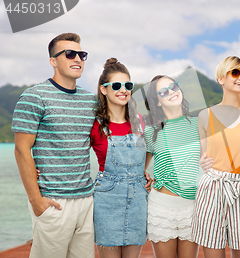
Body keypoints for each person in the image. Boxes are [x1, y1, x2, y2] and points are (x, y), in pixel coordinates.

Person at [12, 33, 96, 258]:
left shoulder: (91, 101)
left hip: (86, 200)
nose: (77, 58)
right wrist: (36, 200)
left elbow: (109, 138)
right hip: (53, 201)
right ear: (53, 61)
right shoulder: (34, 97)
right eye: (69, 54)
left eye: (81, 54)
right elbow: (21, 150)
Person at [192, 56, 240, 258]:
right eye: (235, 72)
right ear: (221, 79)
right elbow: (205, 157)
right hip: (212, 188)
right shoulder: (205, 115)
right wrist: (203, 162)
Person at [91, 58, 151, 258]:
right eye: (116, 85)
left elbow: (150, 149)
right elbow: (72, 151)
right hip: (106, 199)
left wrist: (144, 172)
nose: (123, 90)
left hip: (138, 200)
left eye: (128, 85)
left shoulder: (140, 121)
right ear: (103, 89)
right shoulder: (95, 124)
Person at [143, 75, 200, 258]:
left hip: (192, 207)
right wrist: (145, 177)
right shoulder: (151, 130)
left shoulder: (200, 124)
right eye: (163, 92)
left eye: (174, 87)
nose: (172, 93)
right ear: (157, 102)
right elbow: (141, 169)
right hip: (161, 208)